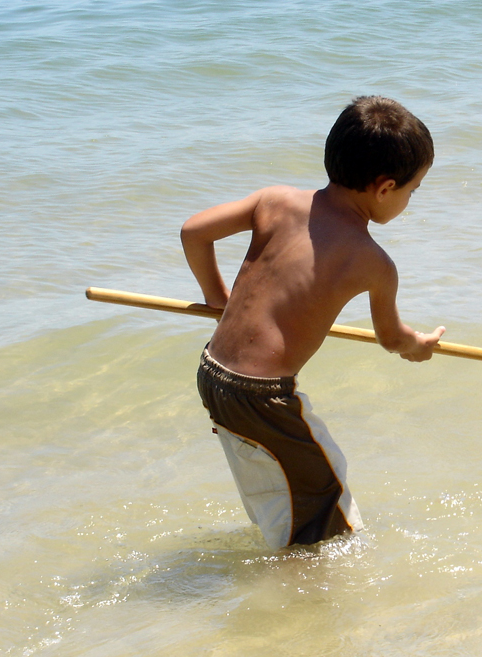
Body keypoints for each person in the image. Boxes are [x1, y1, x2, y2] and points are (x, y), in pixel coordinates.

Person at [180, 96, 445, 549]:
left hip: (213, 372)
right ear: (385, 188)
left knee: (282, 483)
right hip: (260, 397)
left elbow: (194, 231)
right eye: (412, 190)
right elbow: (391, 338)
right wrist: (417, 345)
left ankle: (282, 561)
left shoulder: (275, 200)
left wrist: (218, 300)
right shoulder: (372, 262)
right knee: (325, 508)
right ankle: (293, 601)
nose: (408, 201)